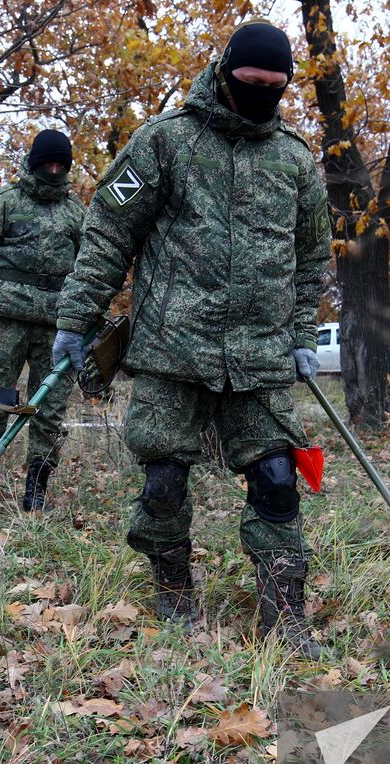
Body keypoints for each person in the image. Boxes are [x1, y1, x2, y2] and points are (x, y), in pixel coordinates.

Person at [51, 20, 331, 657]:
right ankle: (174, 588)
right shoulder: (165, 141)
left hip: (261, 355)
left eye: (275, 86)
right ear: (225, 71)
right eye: (251, 82)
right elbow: (108, 235)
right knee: (164, 483)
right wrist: (75, 317)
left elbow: (312, 255)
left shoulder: (294, 159)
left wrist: (301, 335)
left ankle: (285, 613)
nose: (262, 94)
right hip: (171, 349)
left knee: (278, 479)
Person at [0, 128, 86, 511]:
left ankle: (36, 489)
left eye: (61, 165)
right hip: (6, 323)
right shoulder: (4, 203)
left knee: (49, 408)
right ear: (35, 162)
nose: (54, 170)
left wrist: (87, 320)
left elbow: (93, 269)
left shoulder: (77, 214)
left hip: (56, 327)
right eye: (48, 164)